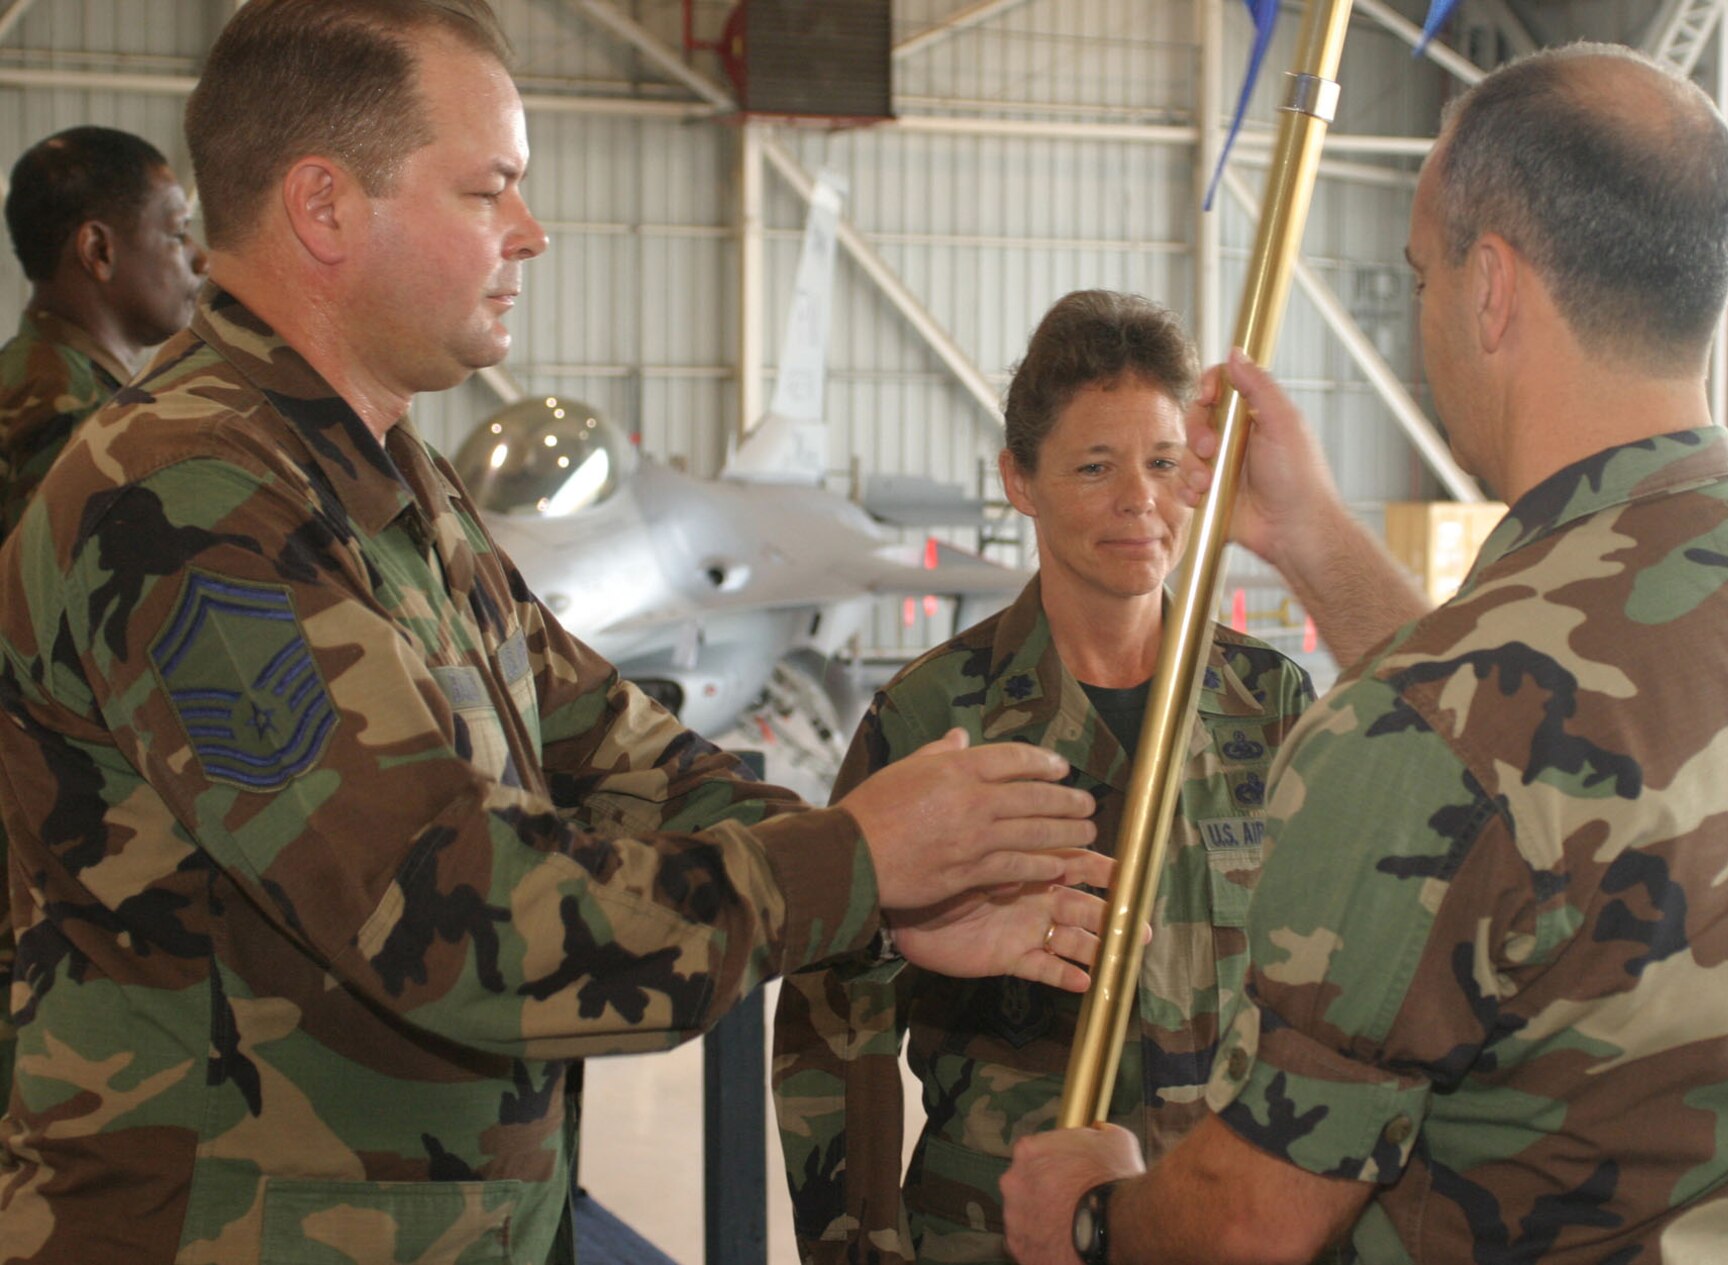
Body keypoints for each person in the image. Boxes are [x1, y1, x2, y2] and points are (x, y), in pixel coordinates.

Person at [0, 2, 1111, 1261]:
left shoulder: (380, 478)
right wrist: (850, 863)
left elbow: (609, 744)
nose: (532, 232)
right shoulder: (186, 496)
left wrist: (888, 883)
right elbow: (449, 916)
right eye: (490, 190)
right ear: (323, 208)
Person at [1001, 42, 1728, 1264]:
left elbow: (1250, 1222)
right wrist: (1310, 535)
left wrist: (1092, 1213)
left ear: (1491, 289)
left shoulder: (1420, 727)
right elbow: (1539, 754)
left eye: (1419, 275)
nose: (1420, 317)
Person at [772, 290, 1316, 1263]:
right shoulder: (934, 718)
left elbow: (1326, 1001)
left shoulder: (1267, 703)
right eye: (1094, 467)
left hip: (1214, 1230)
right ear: (1019, 482)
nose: (1137, 500)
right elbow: (834, 1014)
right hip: (995, 1236)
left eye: (1161, 463)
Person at [0, 125, 206, 536]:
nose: (200, 260)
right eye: (178, 233)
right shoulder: (80, 420)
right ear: (99, 250)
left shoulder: (23, 373)